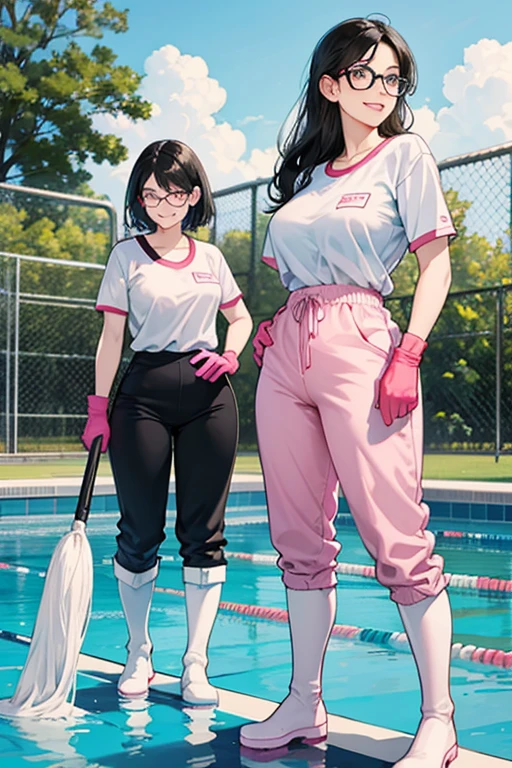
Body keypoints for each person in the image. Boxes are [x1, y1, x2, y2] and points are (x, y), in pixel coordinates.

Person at [240, 18, 458, 768]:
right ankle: (306, 702)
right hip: (289, 352)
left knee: (398, 537)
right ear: (331, 84)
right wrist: (275, 325)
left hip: (366, 345)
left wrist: (411, 352)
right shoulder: (305, 178)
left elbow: (435, 265)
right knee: (298, 540)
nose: (381, 89)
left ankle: (438, 720)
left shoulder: (406, 157)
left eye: (392, 77)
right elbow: (299, 273)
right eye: (364, 75)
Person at [81, 139, 253, 706]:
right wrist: (99, 406)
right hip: (143, 396)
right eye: (150, 194)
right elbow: (111, 337)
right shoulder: (126, 257)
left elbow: (241, 317)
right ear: (139, 197)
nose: (160, 204)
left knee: (204, 535)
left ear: (193, 195)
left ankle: (195, 664)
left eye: (172, 193)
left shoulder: (211, 260)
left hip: (210, 398)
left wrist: (230, 356)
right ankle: (138, 652)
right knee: (140, 531)